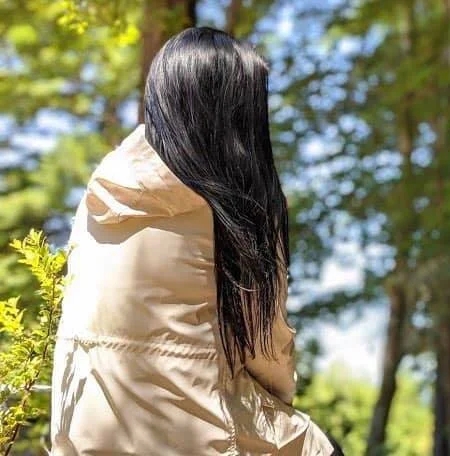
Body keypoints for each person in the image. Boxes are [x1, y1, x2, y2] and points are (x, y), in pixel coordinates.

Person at [50, 27, 340, 455]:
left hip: (81, 433)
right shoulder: (231, 208)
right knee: (319, 447)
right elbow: (267, 352)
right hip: (187, 430)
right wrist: (286, 403)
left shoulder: (97, 197)